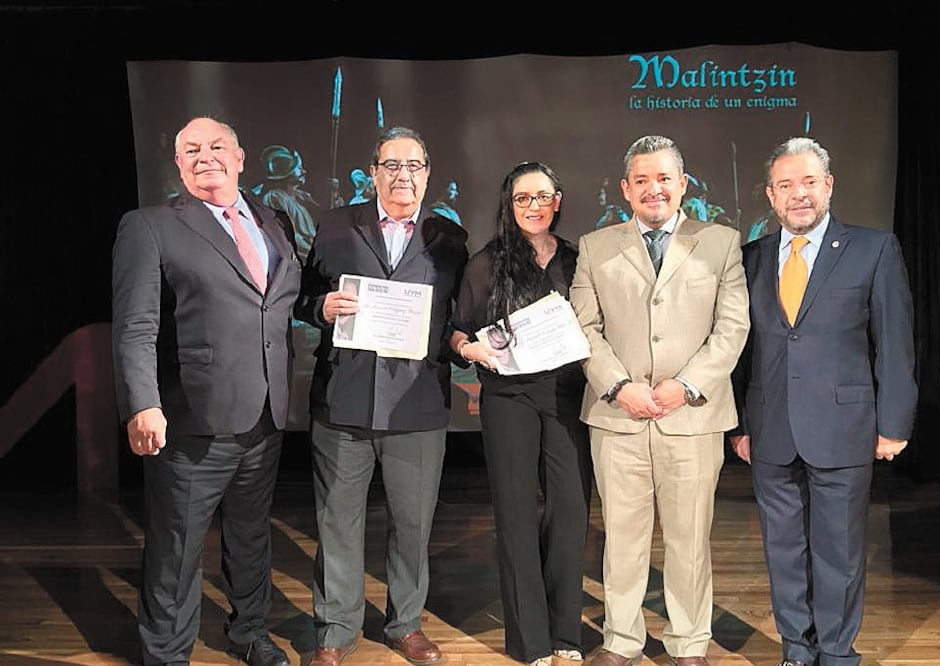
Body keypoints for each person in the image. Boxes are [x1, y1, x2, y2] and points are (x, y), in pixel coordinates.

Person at [111, 116, 301, 666]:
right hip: (191, 417)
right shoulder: (149, 225)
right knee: (176, 547)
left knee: (250, 536)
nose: (205, 156)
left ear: (241, 158)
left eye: (217, 147)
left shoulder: (271, 220)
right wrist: (143, 402)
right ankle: (167, 654)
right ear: (177, 163)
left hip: (265, 413)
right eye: (190, 149)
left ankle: (248, 633)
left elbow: (277, 302)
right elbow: (135, 325)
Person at [728, 137, 917, 666]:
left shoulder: (874, 249)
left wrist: (894, 423)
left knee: (838, 552)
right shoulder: (752, 258)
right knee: (783, 552)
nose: (799, 194)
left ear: (829, 186)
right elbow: (741, 351)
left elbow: (896, 343)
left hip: (845, 428)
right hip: (770, 431)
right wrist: (740, 424)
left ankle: (836, 654)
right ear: (770, 195)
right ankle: (796, 650)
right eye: (786, 185)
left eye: (809, 182)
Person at [569, 135, 750, 666]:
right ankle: (621, 640)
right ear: (626, 188)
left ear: (683, 185)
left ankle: (689, 641)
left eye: (664, 178)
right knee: (622, 538)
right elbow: (584, 328)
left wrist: (686, 384)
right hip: (617, 416)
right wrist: (620, 386)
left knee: (690, 540)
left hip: (691, 416)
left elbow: (732, 327)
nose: (654, 189)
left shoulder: (720, 242)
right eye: (642, 180)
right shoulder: (596, 246)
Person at [294, 126, 468, 666]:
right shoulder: (335, 226)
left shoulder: (450, 239)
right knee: (336, 522)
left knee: (413, 524)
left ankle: (405, 624)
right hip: (344, 399)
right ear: (373, 172)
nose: (403, 176)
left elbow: (455, 319)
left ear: (428, 175)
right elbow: (300, 297)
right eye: (392, 165)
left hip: (416, 404)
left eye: (414, 166)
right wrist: (320, 308)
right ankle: (336, 628)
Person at [450, 162, 591, 666]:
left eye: (542, 196)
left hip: (569, 396)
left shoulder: (578, 260)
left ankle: (566, 636)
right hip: (508, 397)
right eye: (522, 198)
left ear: (558, 200)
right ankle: (531, 642)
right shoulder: (486, 263)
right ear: (509, 205)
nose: (533, 206)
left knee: (570, 514)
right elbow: (458, 330)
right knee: (515, 516)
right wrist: (471, 352)